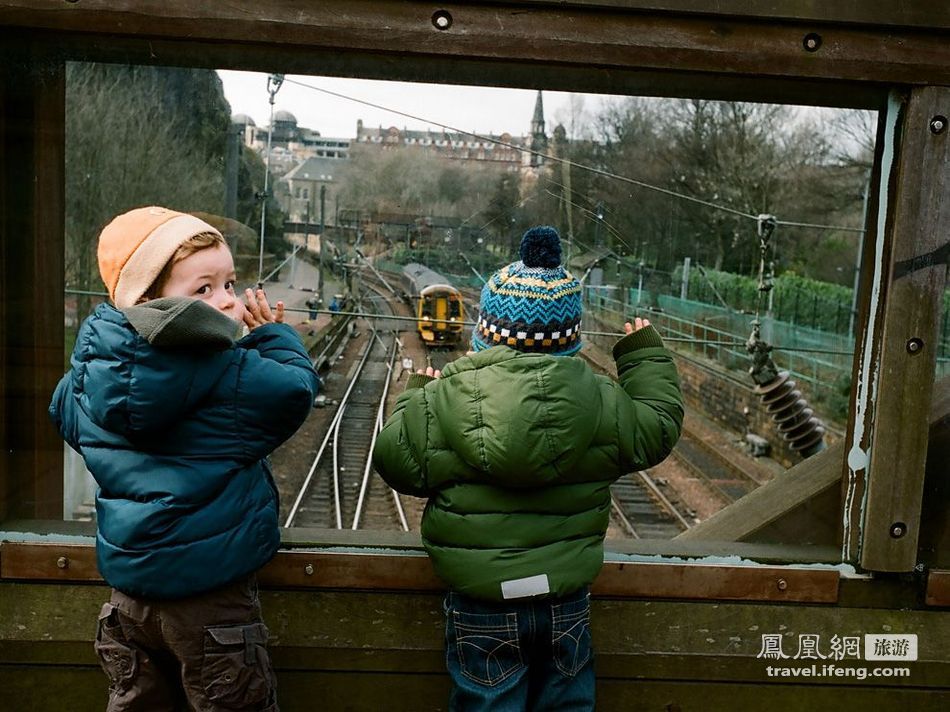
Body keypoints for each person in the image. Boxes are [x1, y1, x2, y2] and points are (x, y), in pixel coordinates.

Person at [373, 226, 683, 711]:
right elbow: (659, 426)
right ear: (569, 339)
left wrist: (414, 393)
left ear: (485, 333)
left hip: (482, 605)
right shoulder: (602, 401)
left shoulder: (441, 399)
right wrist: (643, 355)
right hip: (565, 604)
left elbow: (394, 459)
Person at [49, 206, 320, 711]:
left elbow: (64, 413)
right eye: (204, 289)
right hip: (213, 605)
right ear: (148, 298)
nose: (228, 302)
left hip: (129, 603)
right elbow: (294, 392)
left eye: (230, 284)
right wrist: (272, 337)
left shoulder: (90, 373)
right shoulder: (230, 373)